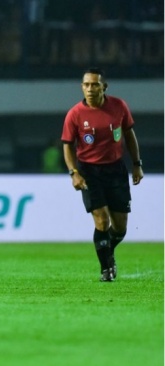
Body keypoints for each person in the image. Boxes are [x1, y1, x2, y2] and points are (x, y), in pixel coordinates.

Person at [61, 67, 143, 282]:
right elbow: (67, 145)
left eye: (94, 84)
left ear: (104, 87)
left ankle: (108, 251)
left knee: (120, 227)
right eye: (86, 84)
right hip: (89, 171)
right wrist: (73, 173)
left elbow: (129, 134)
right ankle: (106, 269)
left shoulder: (119, 106)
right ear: (82, 87)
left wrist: (137, 164)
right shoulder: (75, 114)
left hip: (115, 169)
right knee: (101, 219)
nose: (90, 88)